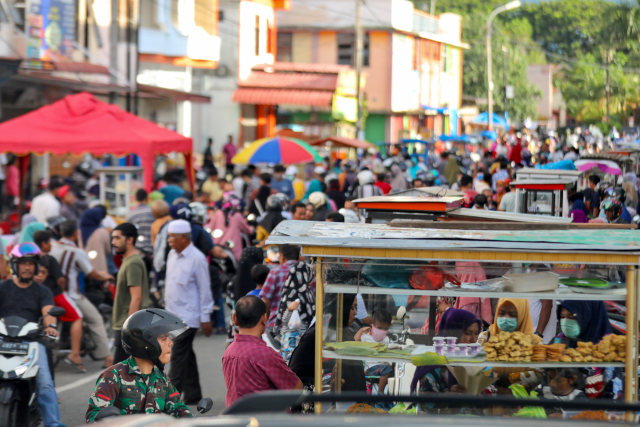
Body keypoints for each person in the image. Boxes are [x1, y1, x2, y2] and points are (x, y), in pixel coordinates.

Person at [85, 309, 192, 421]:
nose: (171, 343)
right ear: (145, 344)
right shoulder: (113, 376)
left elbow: (178, 408)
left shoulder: (161, 378)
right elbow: (94, 417)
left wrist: (189, 421)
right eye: (164, 339)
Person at [0, 243, 62, 427]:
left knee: (44, 385)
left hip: (31, 341)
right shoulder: (3, 287)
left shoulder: (42, 291)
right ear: (15, 265)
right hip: (2, 338)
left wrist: (50, 326)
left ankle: (53, 423)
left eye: (31, 264)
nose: (27, 267)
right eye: (23, 263)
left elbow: (49, 312)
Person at [50, 220, 114, 368]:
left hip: (53, 295)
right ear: (75, 234)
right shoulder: (76, 252)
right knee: (95, 319)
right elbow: (91, 273)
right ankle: (108, 358)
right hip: (72, 295)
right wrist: (104, 275)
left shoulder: (52, 247)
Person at [164, 219, 213, 404]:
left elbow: (204, 289)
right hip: (173, 315)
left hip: (189, 317)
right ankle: (193, 394)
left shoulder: (197, 258)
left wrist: (206, 317)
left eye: (172, 237)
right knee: (186, 355)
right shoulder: (171, 255)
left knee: (176, 356)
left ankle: (170, 398)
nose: (169, 240)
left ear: (184, 238)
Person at [222, 295, 302, 407]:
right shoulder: (265, 354)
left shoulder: (228, 352)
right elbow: (296, 388)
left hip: (236, 416)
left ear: (234, 319)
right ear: (264, 319)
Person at [34, 230, 85, 373]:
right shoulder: (49, 259)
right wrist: (61, 287)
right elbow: (61, 280)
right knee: (77, 318)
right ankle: (75, 354)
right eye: (49, 242)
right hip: (55, 296)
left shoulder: (31, 258)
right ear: (44, 244)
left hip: (39, 297)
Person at [411, 308, 481, 398]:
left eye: (476, 334)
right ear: (452, 333)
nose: (473, 339)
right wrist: (448, 396)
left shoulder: (474, 363)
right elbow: (425, 403)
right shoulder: (433, 366)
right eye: (468, 333)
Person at [111, 223, 153, 364]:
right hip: (127, 325)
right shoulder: (128, 260)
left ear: (130, 240)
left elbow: (136, 297)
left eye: (117, 238)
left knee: (119, 374)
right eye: (113, 238)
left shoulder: (133, 263)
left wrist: (128, 329)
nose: (113, 242)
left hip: (128, 325)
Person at [274, 259, 315, 363]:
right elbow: (285, 322)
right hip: (292, 343)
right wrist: (289, 310)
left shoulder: (308, 293)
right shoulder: (291, 293)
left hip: (305, 341)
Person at [260, 244, 300, 330]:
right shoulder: (309, 272)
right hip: (303, 325)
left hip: (278, 324)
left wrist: (266, 320)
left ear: (282, 257)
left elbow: (265, 300)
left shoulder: (275, 273)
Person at [355, 310, 393, 394]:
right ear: (372, 326)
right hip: (369, 368)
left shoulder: (386, 339)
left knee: (392, 369)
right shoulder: (365, 337)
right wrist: (361, 330)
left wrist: (388, 361)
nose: (382, 330)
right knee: (387, 370)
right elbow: (356, 341)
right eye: (379, 328)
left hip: (382, 366)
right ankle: (380, 393)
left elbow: (388, 352)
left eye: (385, 329)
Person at [126, 189, 155, 260]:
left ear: (136, 198)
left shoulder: (131, 214)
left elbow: (128, 232)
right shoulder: (153, 212)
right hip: (152, 249)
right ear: (147, 198)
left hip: (137, 249)